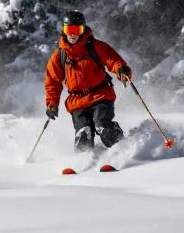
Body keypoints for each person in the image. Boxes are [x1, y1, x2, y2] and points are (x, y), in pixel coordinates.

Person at [44, 11, 132, 152]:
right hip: (77, 101)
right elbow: (53, 81)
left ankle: (124, 150)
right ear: (64, 30)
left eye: (76, 30)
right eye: (69, 30)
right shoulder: (59, 56)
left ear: (83, 29)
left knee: (102, 125)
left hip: (100, 95)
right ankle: (84, 163)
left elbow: (112, 60)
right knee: (83, 133)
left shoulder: (95, 47)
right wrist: (52, 104)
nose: (73, 34)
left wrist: (121, 70)